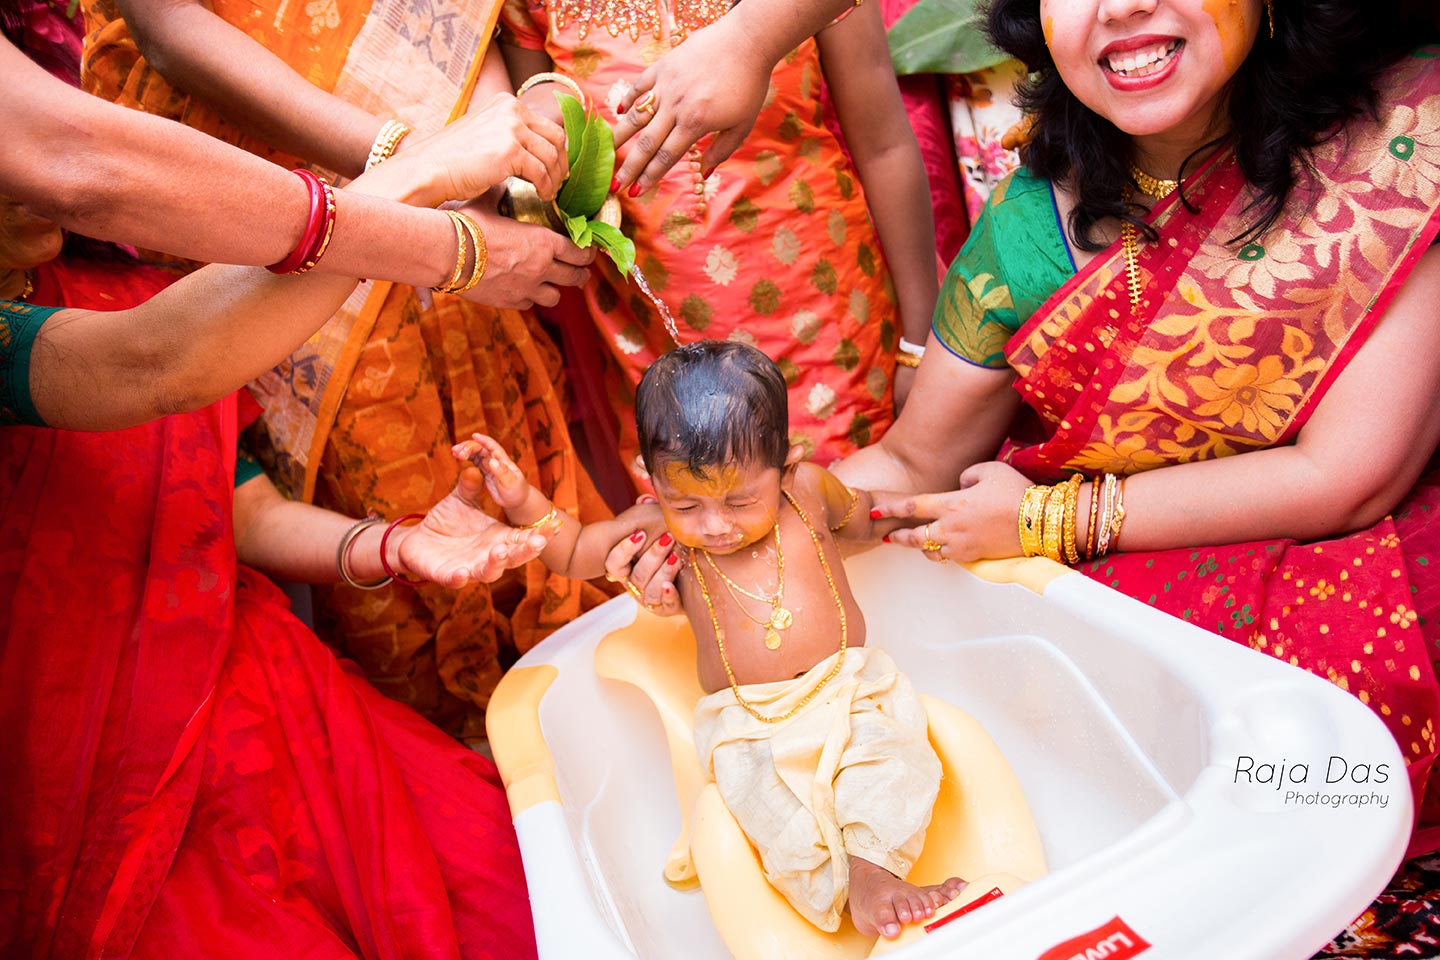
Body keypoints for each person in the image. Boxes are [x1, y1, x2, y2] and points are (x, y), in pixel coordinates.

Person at [828, 0, 1440, 853]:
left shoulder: (1398, 142)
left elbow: (1348, 475)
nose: (1119, 7)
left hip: (1352, 567)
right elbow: (915, 458)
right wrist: (758, 517)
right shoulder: (1028, 226)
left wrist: (1048, 521)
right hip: (1127, 602)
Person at [0, 174, 551, 954]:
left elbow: (249, 514)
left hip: (255, 681)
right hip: (85, 774)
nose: (33, 187)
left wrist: (395, 545)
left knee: (509, 891)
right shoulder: (107, 339)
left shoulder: (133, 294)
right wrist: (424, 169)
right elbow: (151, 363)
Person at [81, 0, 615, 739]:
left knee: (507, 468)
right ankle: (469, 775)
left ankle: (576, 736)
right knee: (397, 509)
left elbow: (466, 19)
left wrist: (506, 147)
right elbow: (167, 27)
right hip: (262, 178)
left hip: (464, 155)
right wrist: (418, 162)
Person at [459, 341, 965, 940]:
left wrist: (937, 518)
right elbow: (573, 550)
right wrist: (522, 501)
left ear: (788, 463)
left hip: (851, 687)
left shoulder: (810, 493)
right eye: (687, 503)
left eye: (740, 500)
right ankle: (840, 882)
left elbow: (870, 515)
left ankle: (873, 874)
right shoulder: (661, 533)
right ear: (652, 481)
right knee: (771, 812)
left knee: (894, 756)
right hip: (747, 724)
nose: (715, 525)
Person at [501, 0, 939, 482]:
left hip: (823, 315)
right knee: (704, 526)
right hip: (655, 340)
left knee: (842, 518)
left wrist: (920, 344)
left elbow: (884, 146)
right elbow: (536, 163)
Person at [0, 36, 567, 294]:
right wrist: (431, 204)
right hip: (252, 183)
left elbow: (468, 21)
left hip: (475, 175)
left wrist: (483, 172)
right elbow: (78, 165)